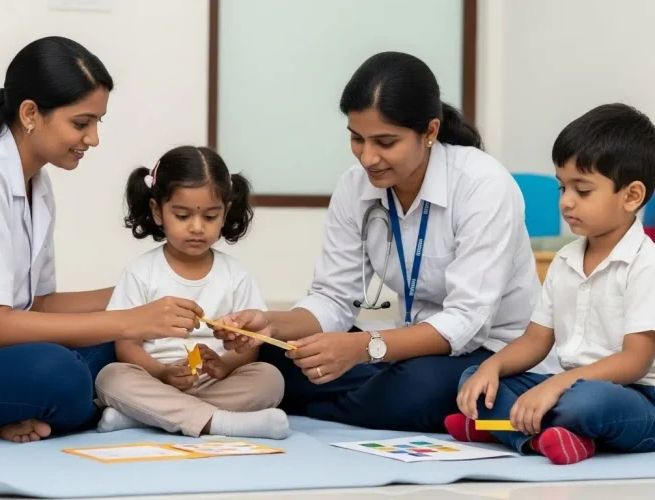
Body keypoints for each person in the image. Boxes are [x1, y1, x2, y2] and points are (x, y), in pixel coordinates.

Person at [211, 51, 558, 432]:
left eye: (385, 142)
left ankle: (328, 404)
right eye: (357, 139)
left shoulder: (483, 185)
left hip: (489, 355)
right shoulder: (354, 186)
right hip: (399, 350)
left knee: (419, 389)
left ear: (429, 132)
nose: (368, 158)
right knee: (278, 358)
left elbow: (466, 324)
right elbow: (332, 298)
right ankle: (367, 401)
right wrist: (270, 325)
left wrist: (363, 349)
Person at [0, 37, 203, 443]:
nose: (93, 138)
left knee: (115, 348)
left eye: (97, 122)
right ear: (30, 113)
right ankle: (76, 404)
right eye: (82, 123)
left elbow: (39, 304)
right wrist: (130, 318)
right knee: (58, 372)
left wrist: (141, 292)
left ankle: (17, 412)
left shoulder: (36, 183)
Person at [446, 103, 655, 465]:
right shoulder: (565, 259)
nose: (566, 202)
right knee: (475, 377)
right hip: (567, 385)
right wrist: (490, 369)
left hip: (633, 396)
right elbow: (535, 341)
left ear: (632, 196)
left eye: (583, 190)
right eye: (562, 187)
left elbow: (635, 361)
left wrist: (556, 385)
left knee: (587, 404)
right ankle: (543, 439)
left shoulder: (646, 263)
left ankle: (506, 427)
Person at [94, 146, 289, 440]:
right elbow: (126, 346)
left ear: (225, 214)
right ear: (157, 212)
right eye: (183, 215)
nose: (197, 228)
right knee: (110, 377)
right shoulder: (141, 271)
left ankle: (145, 416)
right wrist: (160, 373)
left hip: (214, 382)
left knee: (270, 379)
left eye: (210, 216)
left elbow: (250, 347)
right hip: (154, 379)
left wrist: (224, 365)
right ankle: (221, 423)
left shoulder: (235, 274)